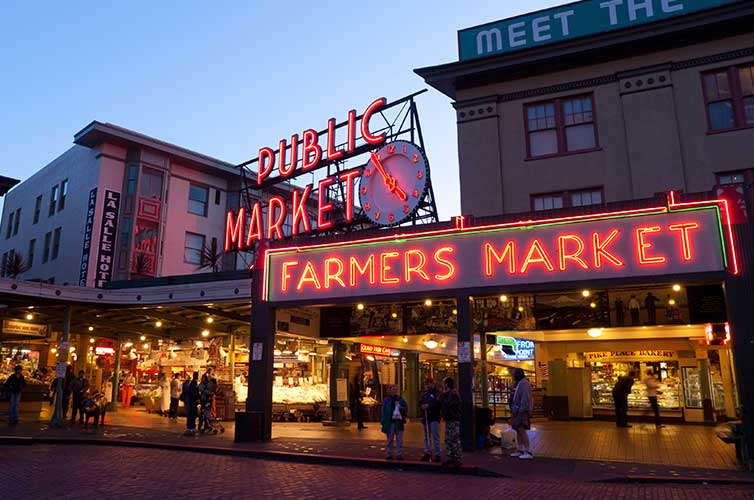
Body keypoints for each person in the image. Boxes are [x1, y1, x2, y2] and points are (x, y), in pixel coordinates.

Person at [509, 368, 534, 459]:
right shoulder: (520, 383)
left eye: (514, 374)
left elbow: (525, 398)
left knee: (521, 429)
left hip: (521, 410)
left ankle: (528, 450)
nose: (513, 376)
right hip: (517, 410)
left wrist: (521, 409)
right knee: (518, 429)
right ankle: (521, 449)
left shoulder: (523, 384)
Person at [439, 376, 462, 467]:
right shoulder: (448, 394)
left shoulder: (453, 394)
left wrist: (444, 395)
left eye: (443, 383)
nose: (442, 385)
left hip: (453, 419)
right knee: (448, 439)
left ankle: (457, 458)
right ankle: (450, 457)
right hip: (449, 419)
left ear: (447, 384)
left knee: (454, 439)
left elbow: (449, 404)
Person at [380, 385, 407, 460]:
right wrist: (383, 421)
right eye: (393, 389)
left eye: (395, 389)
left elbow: (405, 408)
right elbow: (383, 410)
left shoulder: (400, 399)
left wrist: (401, 407)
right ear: (390, 390)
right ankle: (389, 454)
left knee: (399, 439)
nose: (394, 391)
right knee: (390, 439)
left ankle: (399, 454)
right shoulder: (387, 400)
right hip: (390, 422)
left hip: (399, 422)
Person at [419, 377, 442, 462]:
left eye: (428, 383)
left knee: (435, 436)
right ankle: (427, 452)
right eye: (426, 384)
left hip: (434, 417)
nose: (427, 385)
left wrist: (429, 406)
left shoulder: (437, 394)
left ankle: (437, 454)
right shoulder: (424, 394)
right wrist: (422, 406)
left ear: (433, 384)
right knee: (427, 436)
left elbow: (438, 404)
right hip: (426, 418)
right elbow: (420, 402)